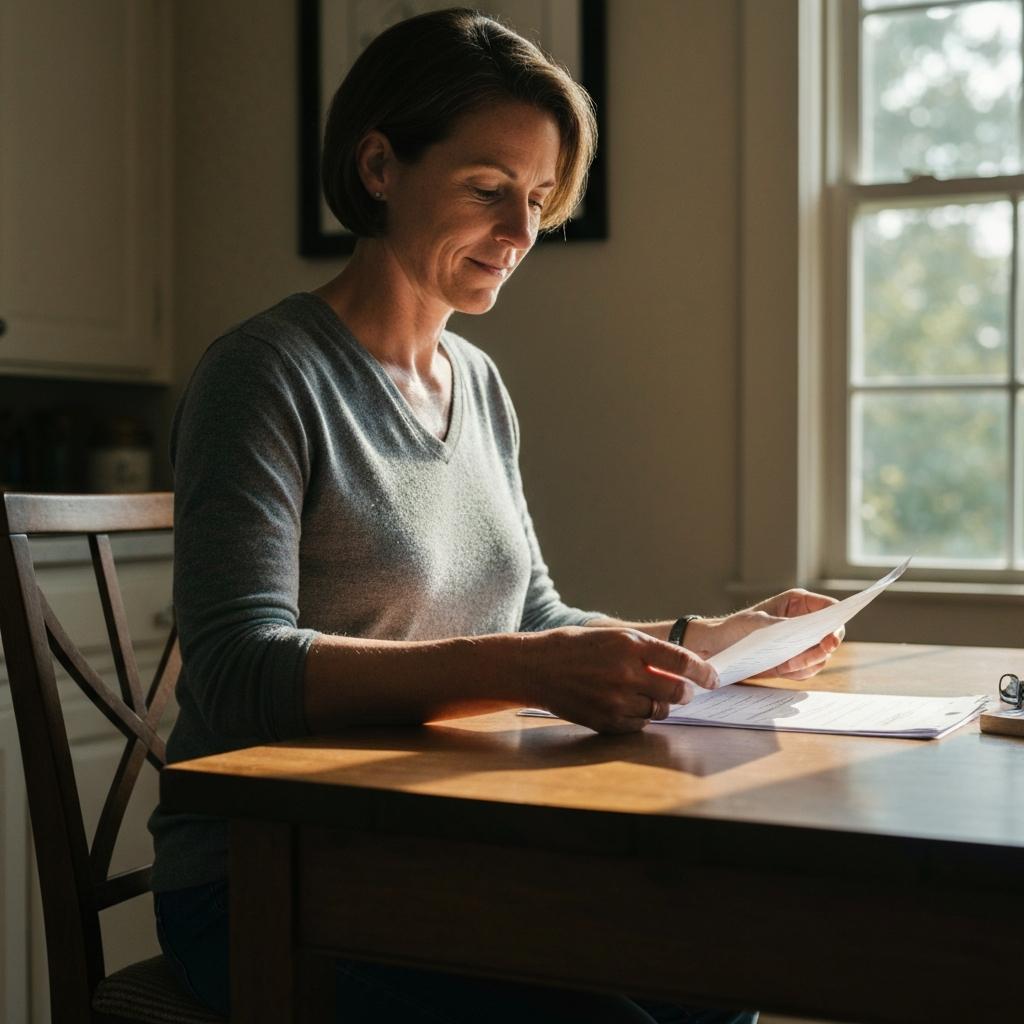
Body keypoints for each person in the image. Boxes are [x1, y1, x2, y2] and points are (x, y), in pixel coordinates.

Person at [148, 9, 842, 1022]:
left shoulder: (477, 383)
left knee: (712, 976)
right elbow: (239, 672)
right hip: (266, 884)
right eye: (487, 192)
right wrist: (523, 671)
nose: (521, 236)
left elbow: (533, 616)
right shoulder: (263, 375)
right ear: (378, 165)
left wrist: (703, 641)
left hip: (439, 850)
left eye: (538, 198)